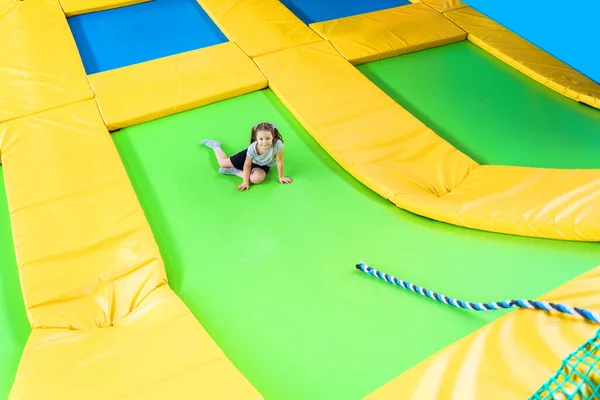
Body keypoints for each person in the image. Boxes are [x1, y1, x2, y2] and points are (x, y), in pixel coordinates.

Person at [200, 122, 293, 191]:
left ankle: (234, 171)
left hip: (264, 164)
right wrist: (245, 182)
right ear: (256, 138)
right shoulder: (252, 148)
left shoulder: (278, 145)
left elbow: (279, 161)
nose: (264, 142)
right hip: (248, 157)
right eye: (261, 139)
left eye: (268, 138)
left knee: (256, 179)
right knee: (222, 163)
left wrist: (281, 177)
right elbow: (247, 164)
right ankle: (216, 146)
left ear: (273, 137)